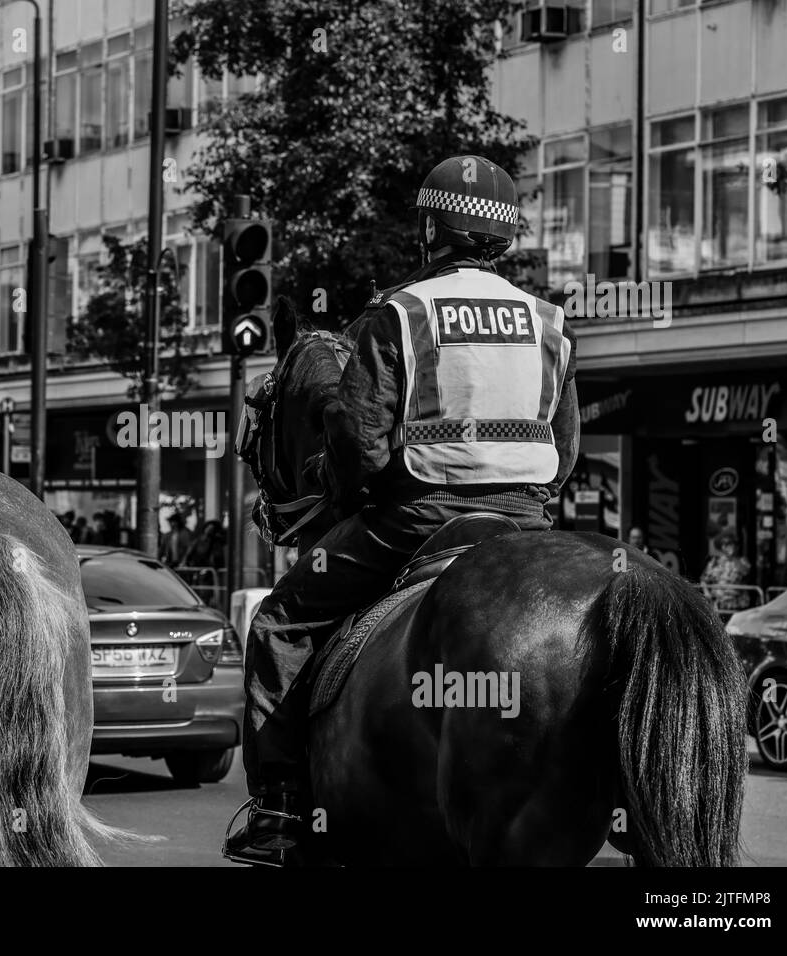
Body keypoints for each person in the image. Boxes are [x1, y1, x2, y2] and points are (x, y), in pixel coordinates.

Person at [224, 155, 580, 866]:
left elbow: (359, 441)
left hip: (418, 518)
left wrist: (353, 494)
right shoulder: (549, 320)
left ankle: (278, 810)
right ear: (502, 235)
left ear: (431, 230)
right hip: (528, 524)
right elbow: (565, 449)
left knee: (279, 623)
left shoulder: (402, 312)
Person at [700, 530, 753, 613]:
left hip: (737, 605)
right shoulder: (714, 562)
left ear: (736, 546)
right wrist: (707, 593)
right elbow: (704, 580)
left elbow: (745, 572)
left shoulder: (743, 561)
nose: (726, 547)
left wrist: (734, 559)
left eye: (729, 544)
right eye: (723, 544)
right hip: (718, 605)